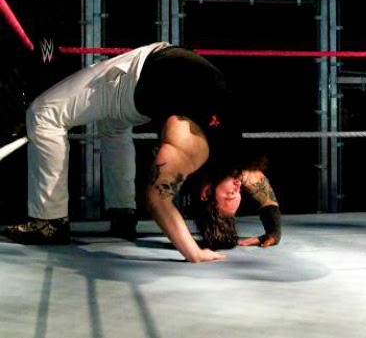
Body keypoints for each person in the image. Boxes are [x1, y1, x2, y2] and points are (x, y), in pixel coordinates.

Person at [6, 42, 282, 263]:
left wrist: (193, 253)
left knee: (43, 113)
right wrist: (272, 229)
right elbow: (258, 183)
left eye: (229, 196)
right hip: (145, 85)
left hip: (130, 80)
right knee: (114, 127)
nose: (237, 188)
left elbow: (157, 198)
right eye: (237, 194)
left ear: (205, 192)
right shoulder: (231, 163)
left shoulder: (190, 149)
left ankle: (49, 221)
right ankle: (123, 213)